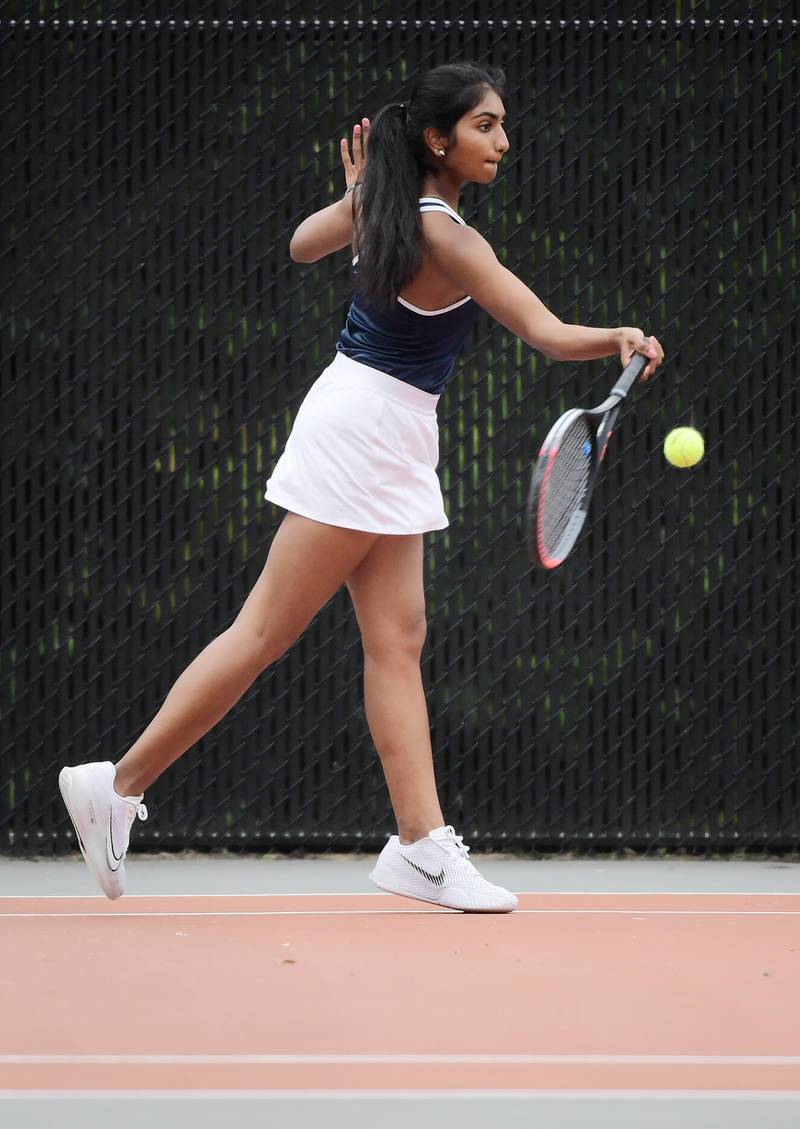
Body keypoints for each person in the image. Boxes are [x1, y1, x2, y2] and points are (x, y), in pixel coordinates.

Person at [58, 61, 663, 912]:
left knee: (398, 636)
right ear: (436, 138)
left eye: (501, 125)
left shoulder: (388, 210)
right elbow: (545, 331)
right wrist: (621, 338)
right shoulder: (451, 235)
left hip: (382, 423)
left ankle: (418, 843)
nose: (503, 141)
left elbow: (304, 243)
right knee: (266, 629)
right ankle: (117, 784)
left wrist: (354, 198)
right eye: (485, 126)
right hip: (367, 430)